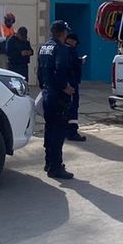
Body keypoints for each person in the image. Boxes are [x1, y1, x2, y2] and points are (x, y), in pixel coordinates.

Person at [37, 20, 77, 180]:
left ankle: (49, 162)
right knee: (58, 132)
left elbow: (40, 71)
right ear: (63, 33)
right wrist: (65, 87)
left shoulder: (44, 47)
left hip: (47, 92)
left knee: (49, 129)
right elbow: (60, 69)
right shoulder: (61, 49)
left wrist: (44, 87)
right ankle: (56, 167)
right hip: (58, 95)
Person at [65, 31, 86, 142]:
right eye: (75, 42)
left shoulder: (61, 49)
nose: (75, 45)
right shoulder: (70, 50)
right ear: (71, 41)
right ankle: (72, 132)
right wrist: (80, 62)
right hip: (71, 84)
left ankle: (65, 130)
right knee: (73, 107)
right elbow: (72, 65)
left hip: (66, 83)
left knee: (66, 107)